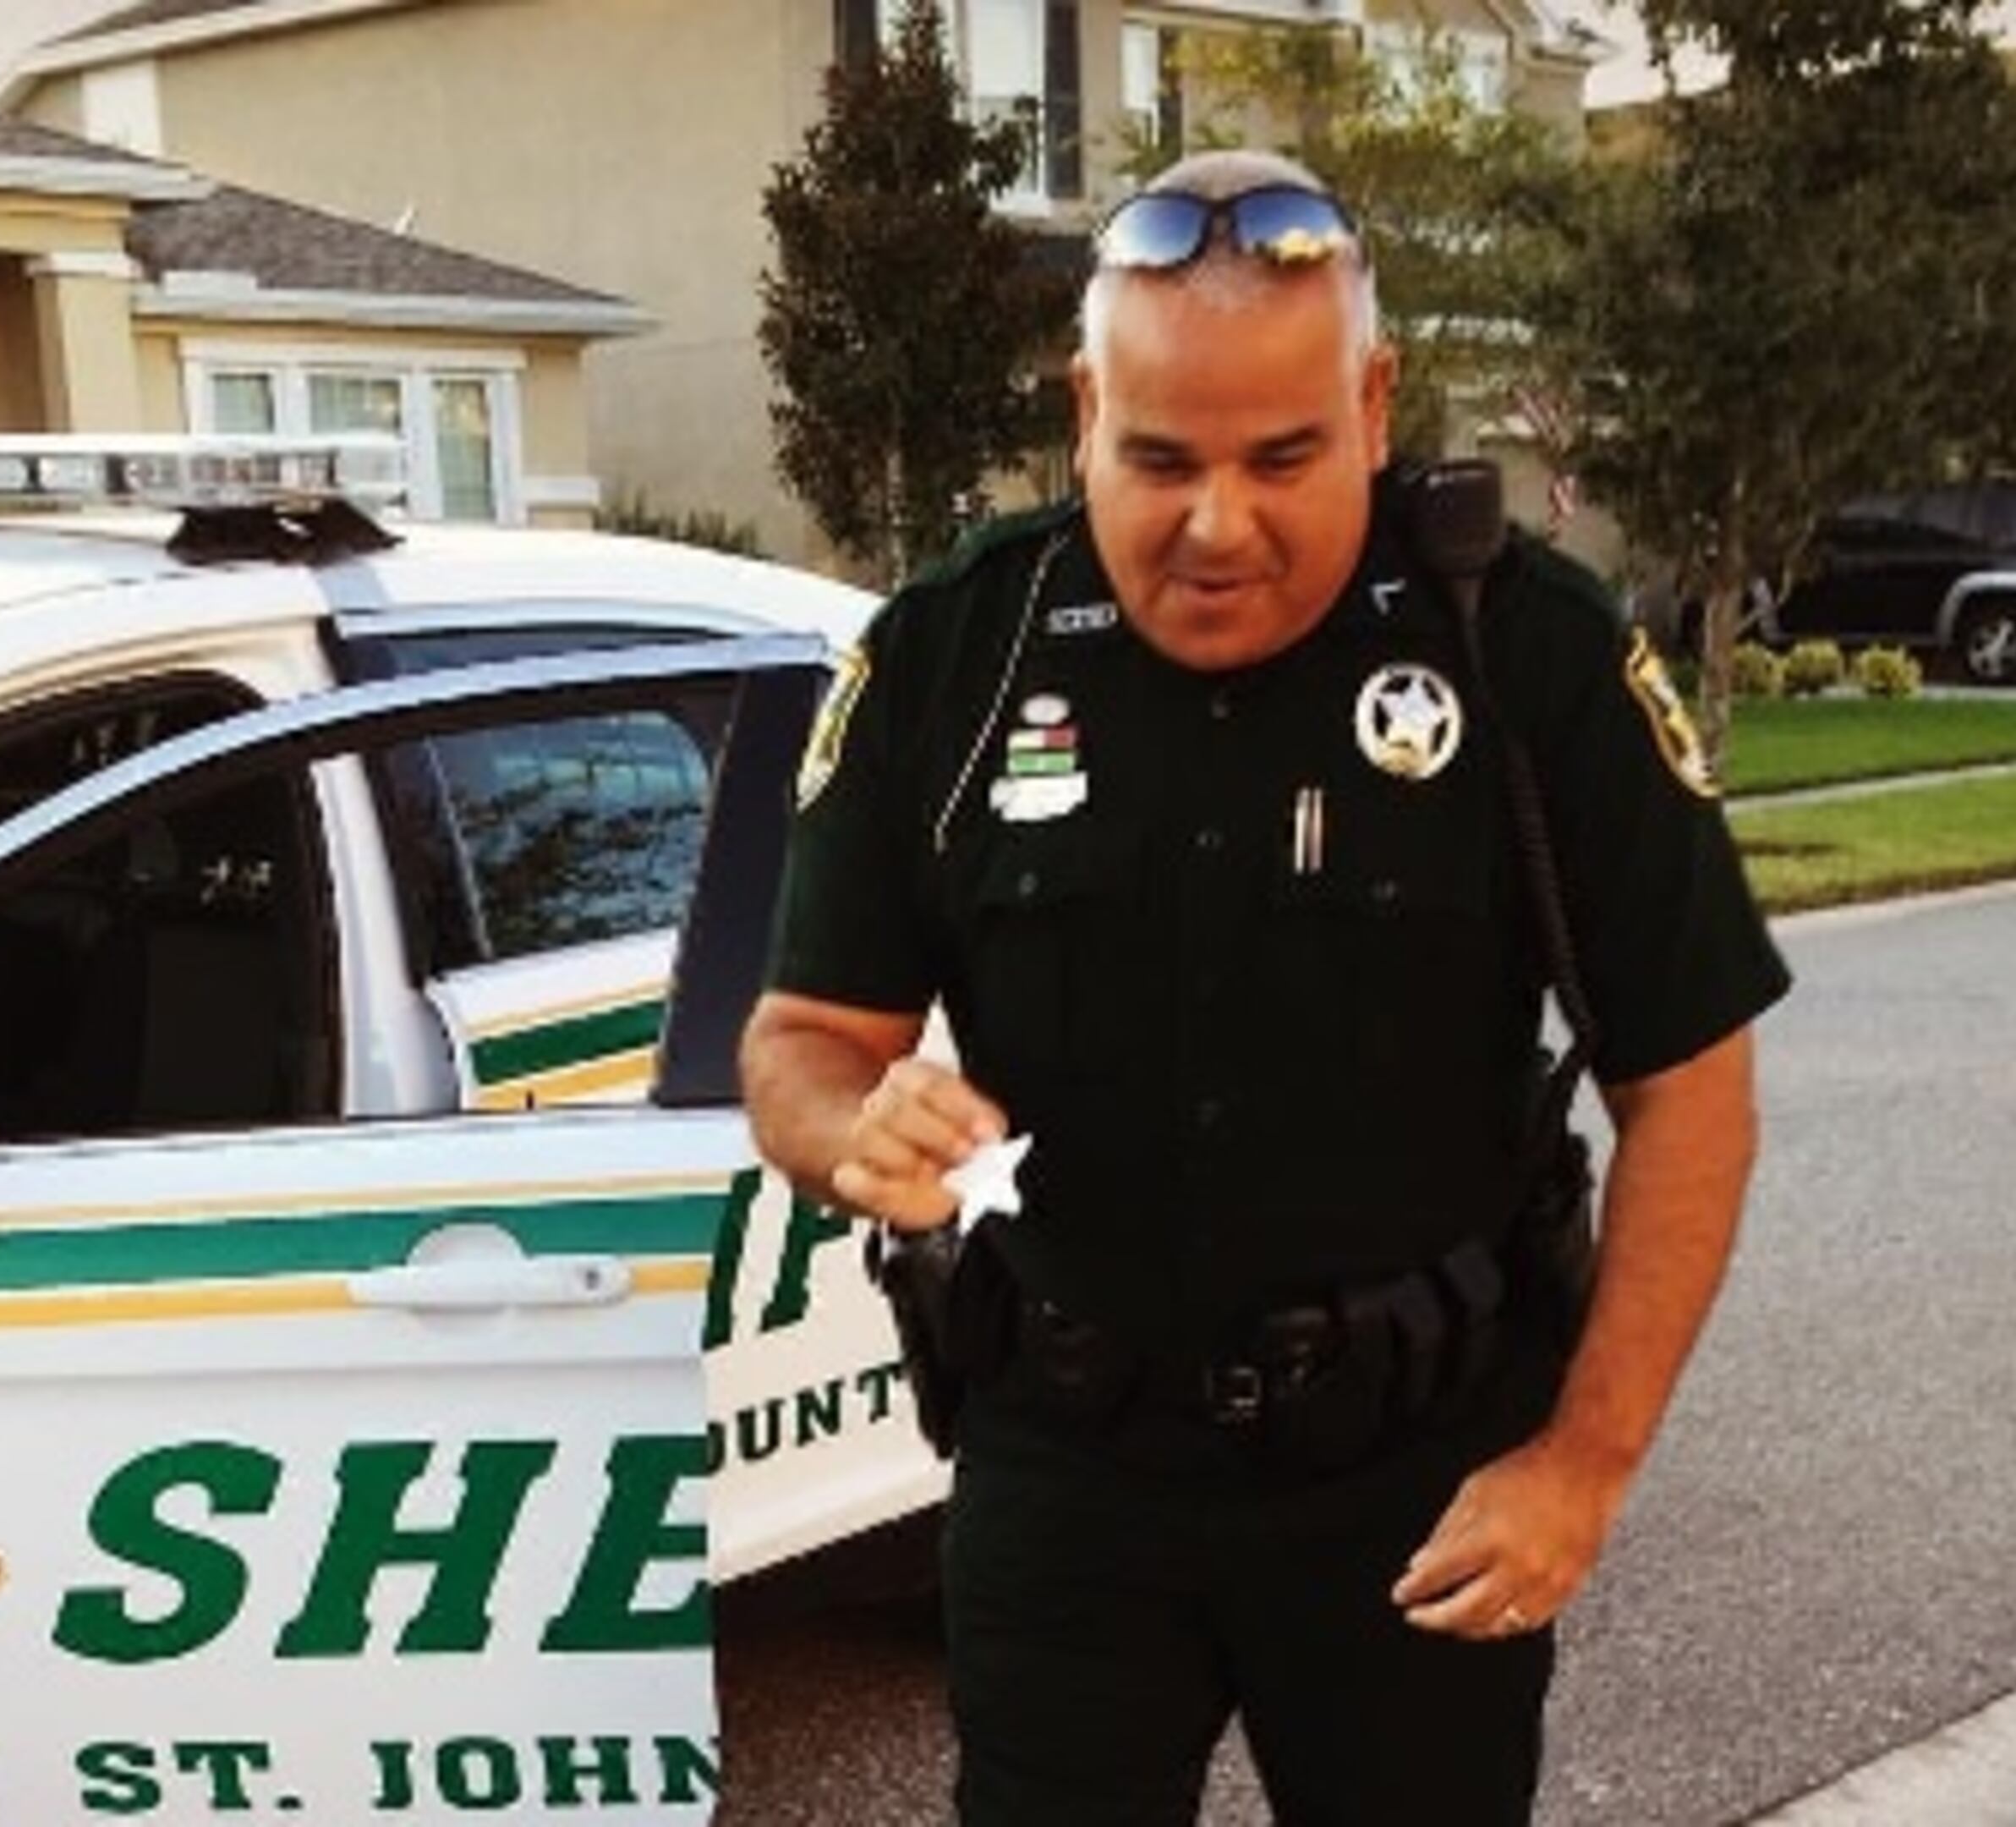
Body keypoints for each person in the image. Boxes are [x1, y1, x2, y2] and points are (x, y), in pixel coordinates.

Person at [738, 148, 1790, 1824]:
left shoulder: (1524, 657)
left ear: (1373, 406)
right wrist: (844, 1125)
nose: (1218, 525)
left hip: (1414, 1489)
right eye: (1157, 458)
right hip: (1063, 1476)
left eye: (1284, 455)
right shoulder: (956, 653)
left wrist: (1583, 1466)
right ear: (1085, 409)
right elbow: (800, 1045)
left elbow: (1690, 1085)